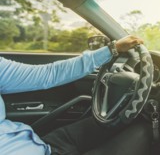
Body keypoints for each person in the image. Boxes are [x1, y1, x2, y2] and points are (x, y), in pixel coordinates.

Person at [0, 35, 152, 155]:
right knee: (144, 133)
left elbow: (49, 74)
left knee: (126, 124)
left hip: (40, 143)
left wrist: (113, 48)